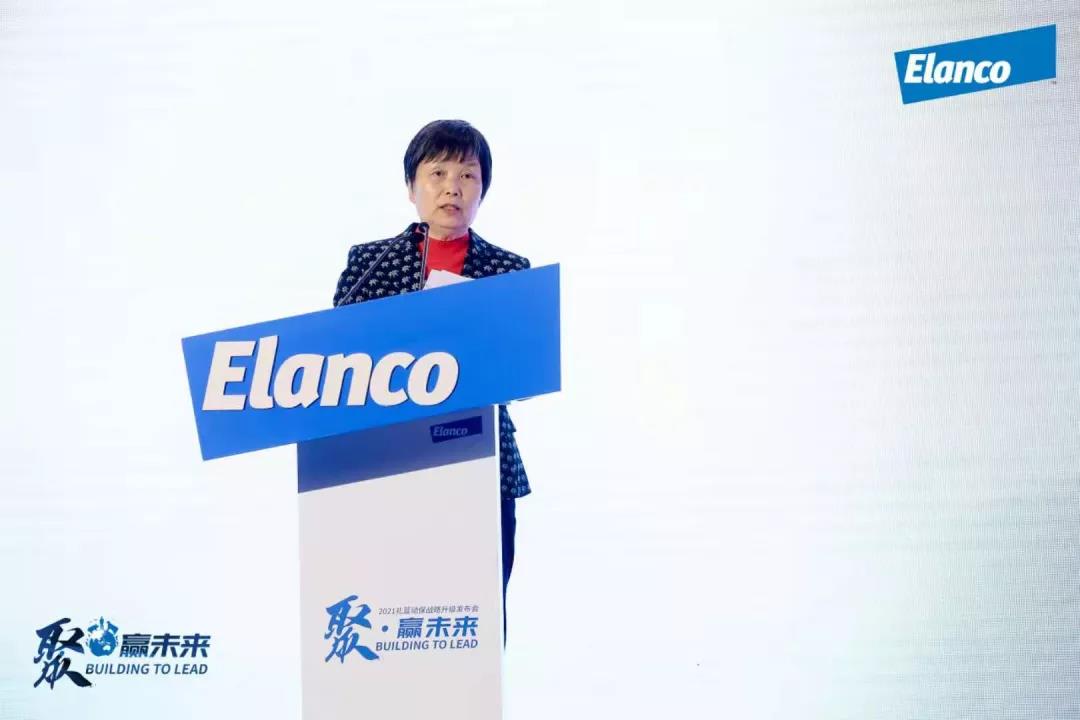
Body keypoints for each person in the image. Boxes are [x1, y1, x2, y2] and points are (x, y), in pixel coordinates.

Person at [331, 119, 532, 635]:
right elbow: (338, 363)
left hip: (481, 463)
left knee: (474, 622)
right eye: (437, 173)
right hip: (391, 463)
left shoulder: (511, 271)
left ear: (483, 189)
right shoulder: (371, 264)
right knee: (394, 613)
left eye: (467, 175)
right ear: (411, 187)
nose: (452, 188)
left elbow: (521, 370)